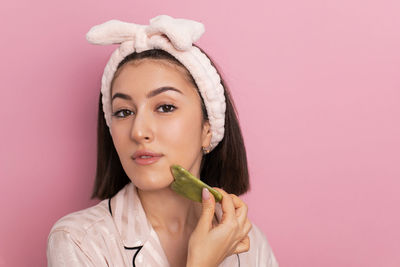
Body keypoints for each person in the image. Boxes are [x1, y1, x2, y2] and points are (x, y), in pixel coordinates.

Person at [47, 15, 279, 267]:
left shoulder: (249, 244)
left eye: (165, 107)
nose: (138, 131)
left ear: (208, 127)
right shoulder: (79, 241)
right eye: (124, 112)